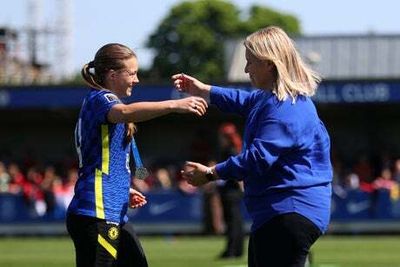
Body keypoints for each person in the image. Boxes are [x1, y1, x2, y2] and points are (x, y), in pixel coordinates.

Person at [173, 26, 332, 267]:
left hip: (290, 210)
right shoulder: (270, 99)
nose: (246, 69)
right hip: (279, 212)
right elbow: (242, 100)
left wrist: (210, 174)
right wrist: (204, 90)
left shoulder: (285, 107)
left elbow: (257, 158)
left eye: (250, 62)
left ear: (269, 64)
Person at [66, 43, 208, 267]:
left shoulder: (101, 101)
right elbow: (125, 113)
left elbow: (103, 157)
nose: (137, 79)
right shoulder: (100, 99)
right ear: (112, 75)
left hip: (112, 210)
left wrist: (124, 188)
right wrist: (174, 104)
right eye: (132, 73)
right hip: (96, 211)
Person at [215, 123, 244, 259]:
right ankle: (236, 250)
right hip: (233, 191)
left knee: (232, 221)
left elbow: (234, 171)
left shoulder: (229, 151)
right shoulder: (234, 150)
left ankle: (232, 250)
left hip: (230, 191)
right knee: (236, 221)